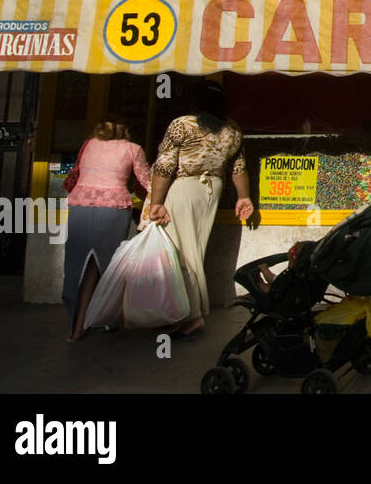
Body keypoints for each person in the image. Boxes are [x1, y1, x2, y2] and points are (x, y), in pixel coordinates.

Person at [149, 82, 253, 339]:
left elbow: (164, 166)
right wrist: (244, 197)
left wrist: (156, 202)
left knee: (181, 252)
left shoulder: (182, 124)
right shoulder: (233, 130)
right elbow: (238, 167)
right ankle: (181, 311)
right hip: (212, 189)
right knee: (195, 249)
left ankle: (192, 317)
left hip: (185, 186)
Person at [62, 116, 152, 340]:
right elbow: (147, 183)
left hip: (80, 206)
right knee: (112, 268)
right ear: (125, 131)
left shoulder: (88, 144)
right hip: (114, 208)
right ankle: (109, 319)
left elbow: (73, 175)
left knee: (76, 269)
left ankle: (77, 327)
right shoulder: (133, 149)